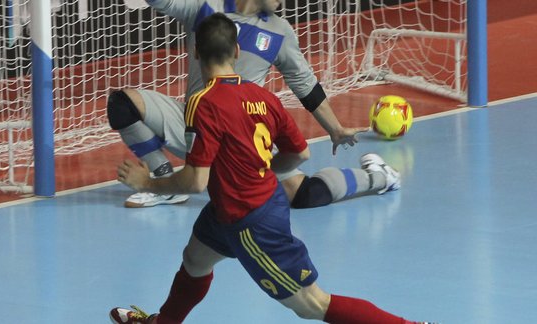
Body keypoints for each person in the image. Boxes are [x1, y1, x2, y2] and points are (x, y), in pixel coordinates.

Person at [109, 13, 428, 324]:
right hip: (233, 207)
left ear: (194, 52)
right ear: (236, 51)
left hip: (250, 222)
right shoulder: (263, 97)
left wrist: (147, 182)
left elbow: (195, 182)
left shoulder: (203, 103)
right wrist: (259, 171)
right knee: (195, 260)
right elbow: (300, 153)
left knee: (313, 304)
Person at [108, 0, 400, 208]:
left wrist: (335, 129)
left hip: (242, 137)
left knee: (303, 196)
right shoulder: (205, 7)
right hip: (193, 121)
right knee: (122, 104)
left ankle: (378, 176)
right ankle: (164, 181)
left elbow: (305, 85)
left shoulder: (279, 31)